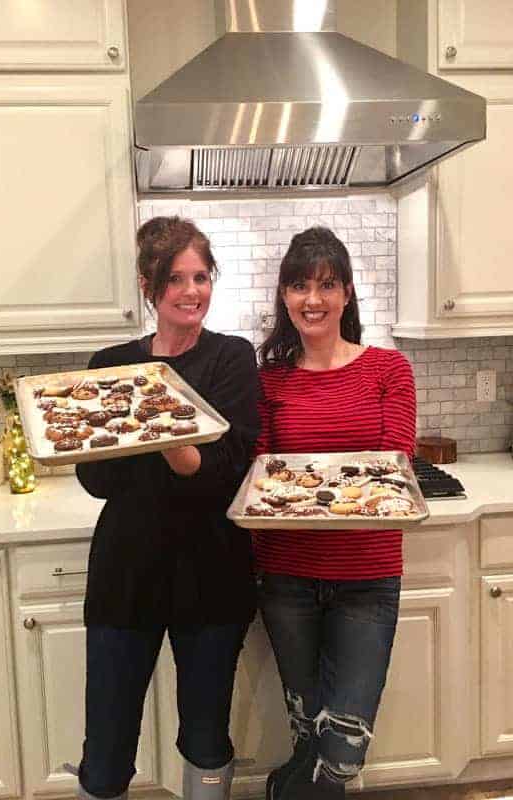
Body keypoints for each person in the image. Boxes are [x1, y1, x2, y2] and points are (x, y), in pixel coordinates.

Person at [74, 217, 259, 800]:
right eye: (175, 278)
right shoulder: (111, 362)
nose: (191, 291)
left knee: (205, 733)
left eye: (201, 276)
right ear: (149, 285)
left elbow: (227, 470)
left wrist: (158, 429)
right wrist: (156, 429)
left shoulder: (231, 358)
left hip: (211, 573)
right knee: (106, 740)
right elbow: (95, 475)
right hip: (125, 573)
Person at [254, 226, 416, 798]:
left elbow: (396, 464)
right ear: (284, 297)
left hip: (368, 579)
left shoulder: (388, 370)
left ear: (347, 293)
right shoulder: (269, 379)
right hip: (288, 579)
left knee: (344, 751)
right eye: (299, 285)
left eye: (326, 285)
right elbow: (260, 473)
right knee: (307, 735)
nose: (312, 299)